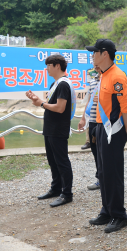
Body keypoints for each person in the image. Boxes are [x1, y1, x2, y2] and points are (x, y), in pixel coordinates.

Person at [86, 39, 127, 234]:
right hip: (101, 128)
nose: (92, 55)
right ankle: (107, 210)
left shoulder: (117, 76)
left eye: (94, 52)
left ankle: (119, 215)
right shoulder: (103, 74)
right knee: (103, 173)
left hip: (113, 131)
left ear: (104, 53)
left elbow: (126, 107)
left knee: (113, 174)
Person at [26, 54, 76, 208]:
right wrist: (38, 101)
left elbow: (60, 108)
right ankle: (56, 189)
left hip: (58, 129)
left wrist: (42, 103)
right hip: (50, 128)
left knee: (61, 161)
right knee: (52, 161)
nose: (46, 68)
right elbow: (50, 105)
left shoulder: (63, 84)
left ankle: (66, 194)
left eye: (48, 65)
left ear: (57, 66)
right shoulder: (55, 84)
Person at [78, 66, 102, 190]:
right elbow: (89, 101)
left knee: (105, 152)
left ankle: (108, 179)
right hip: (92, 121)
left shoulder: (110, 79)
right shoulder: (93, 81)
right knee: (95, 151)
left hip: (104, 122)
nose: (96, 65)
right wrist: (83, 118)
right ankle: (99, 178)